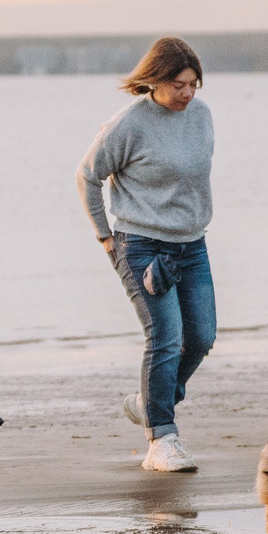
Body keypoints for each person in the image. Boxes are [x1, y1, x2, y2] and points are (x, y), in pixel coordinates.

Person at [77, 36, 216, 472]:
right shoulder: (129, 124)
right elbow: (87, 177)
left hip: (192, 245)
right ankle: (162, 440)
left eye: (193, 83)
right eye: (178, 84)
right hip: (141, 246)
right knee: (166, 338)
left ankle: (150, 399)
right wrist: (106, 238)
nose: (187, 92)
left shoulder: (202, 115)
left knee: (201, 338)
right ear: (154, 80)